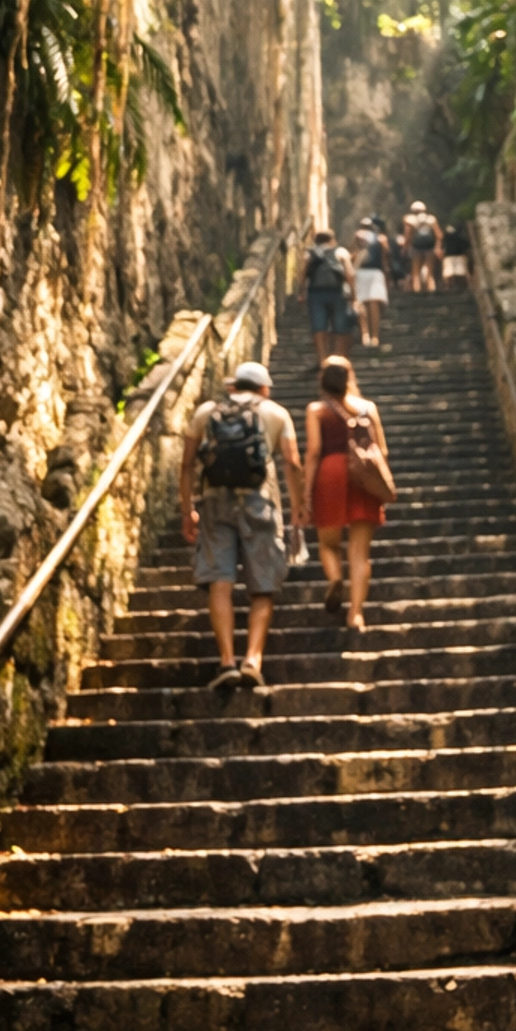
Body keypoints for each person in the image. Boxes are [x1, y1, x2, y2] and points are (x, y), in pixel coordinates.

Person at [179, 359, 304, 691]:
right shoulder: (276, 413)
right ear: (264, 388)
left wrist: (186, 509)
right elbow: (292, 463)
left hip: (214, 502)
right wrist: (297, 510)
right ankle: (252, 660)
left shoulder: (207, 411)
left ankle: (226, 662)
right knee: (262, 586)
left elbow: (187, 462)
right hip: (259, 503)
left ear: (233, 386)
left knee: (220, 581)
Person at [304, 353, 390, 632]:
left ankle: (335, 579)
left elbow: (314, 451)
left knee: (328, 543)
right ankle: (356, 614)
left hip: (330, 473)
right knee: (360, 552)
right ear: (350, 378)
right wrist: (378, 483)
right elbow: (381, 450)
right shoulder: (368, 408)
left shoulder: (316, 410)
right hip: (362, 476)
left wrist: (306, 493)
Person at [301, 229, 353, 369]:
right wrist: (354, 296)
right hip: (338, 292)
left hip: (315, 293)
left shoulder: (310, 253)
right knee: (340, 326)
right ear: (332, 240)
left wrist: (301, 292)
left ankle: (323, 359)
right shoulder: (341, 252)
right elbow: (350, 274)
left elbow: (302, 273)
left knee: (319, 326)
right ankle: (339, 359)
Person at [351, 214, 390, 348]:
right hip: (375, 272)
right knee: (374, 304)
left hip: (360, 271)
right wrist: (385, 274)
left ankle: (364, 334)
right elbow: (384, 258)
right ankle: (375, 337)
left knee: (361, 302)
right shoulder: (381, 239)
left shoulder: (357, 235)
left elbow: (354, 253)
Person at [403, 199, 439, 293]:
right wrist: (437, 247)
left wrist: (405, 247)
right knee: (429, 272)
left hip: (416, 247)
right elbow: (439, 235)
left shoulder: (409, 219)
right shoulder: (431, 219)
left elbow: (408, 235)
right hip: (429, 247)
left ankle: (417, 291)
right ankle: (431, 289)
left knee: (415, 272)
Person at [440, 220, 470, 290]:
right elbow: (467, 246)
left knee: (448, 274)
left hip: (449, 256)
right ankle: (466, 287)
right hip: (460, 255)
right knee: (463, 273)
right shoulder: (461, 236)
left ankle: (447, 287)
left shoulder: (446, 236)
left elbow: (442, 246)